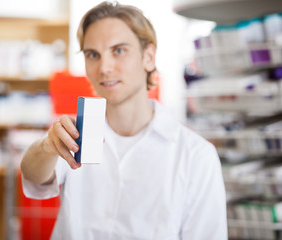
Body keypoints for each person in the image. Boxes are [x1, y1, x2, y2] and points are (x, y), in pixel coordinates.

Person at [20, 1, 227, 239]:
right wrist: (48, 146)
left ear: (148, 57)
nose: (104, 67)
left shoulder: (195, 155)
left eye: (118, 50)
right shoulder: (75, 133)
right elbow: (33, 175)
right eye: (92, 54)